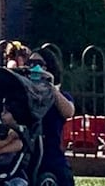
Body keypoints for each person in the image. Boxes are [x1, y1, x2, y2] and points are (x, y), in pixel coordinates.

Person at [30, 47, 76, 186]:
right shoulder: (26, 94)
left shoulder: (59, 95)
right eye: (30, 63)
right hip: (29, 152)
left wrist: (49, 86)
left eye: (38, 63)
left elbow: (69, 111)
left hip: (51, 153)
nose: (34, 67)